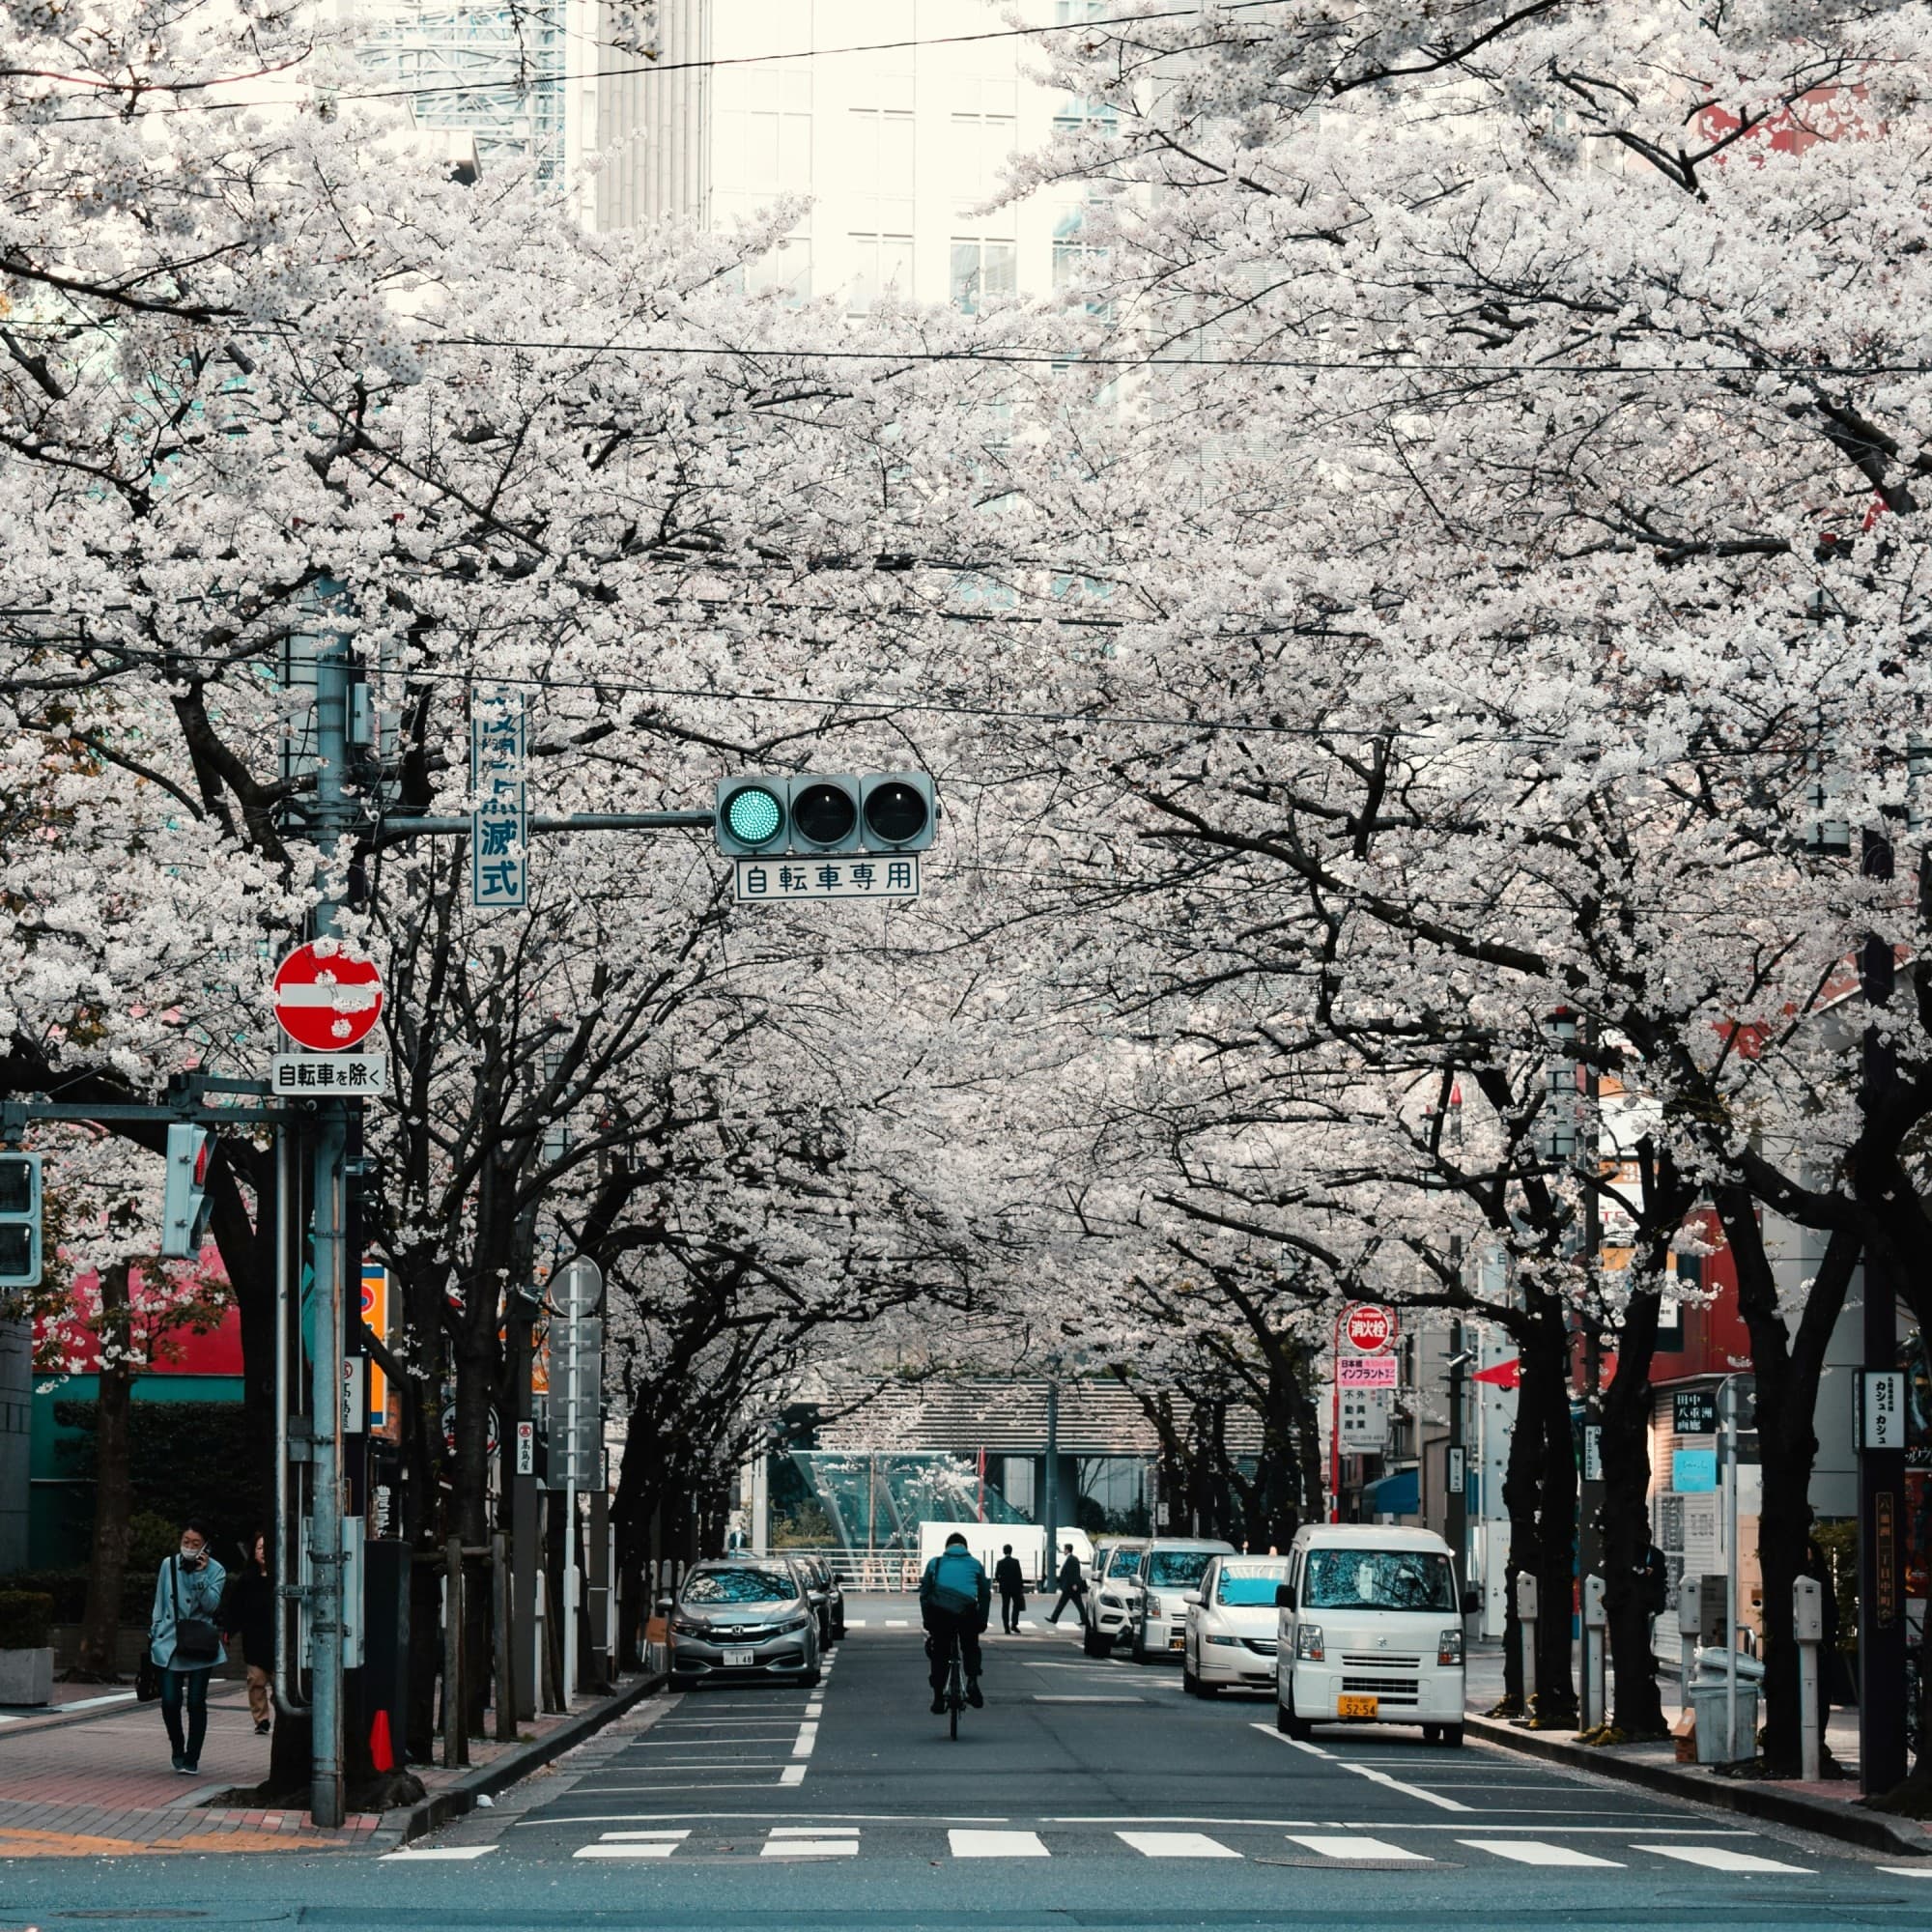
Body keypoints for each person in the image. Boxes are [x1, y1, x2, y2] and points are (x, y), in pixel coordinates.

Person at [150, 1519, 226, 1775]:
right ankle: (177, 1746)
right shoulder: (168, 1565)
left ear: (205, 1546)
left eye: (195, 1544)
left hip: (200, 1644)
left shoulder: (216, 1570)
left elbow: (212, 1606)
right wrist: (156, 1630)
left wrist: (200, 1576)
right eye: (186, 1542)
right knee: (170, 1701)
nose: (189, 1547)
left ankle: (192, 1757)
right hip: (170, 1640)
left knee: (195, 1702)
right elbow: (160, 1601)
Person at [920, 1531, 990, 1713]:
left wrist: (928, 1620)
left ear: (946, 1548)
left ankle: (937, 1697)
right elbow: (984, 1594)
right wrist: (982, 1620)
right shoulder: (975, 1564)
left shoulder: (935, 1563)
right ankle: (973, 1680)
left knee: (940, 1653)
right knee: (970, 1647)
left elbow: (925, 1594)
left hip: (940, 1614)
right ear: (965, 1548)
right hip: (967, 1614)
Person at [221, 1531, 275, 1737]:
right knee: (256, 1681)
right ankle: (261, 1720)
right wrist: (229, 1629)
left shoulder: (283, 1578)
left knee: (280, 1685)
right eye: (259, 1548)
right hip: (254, 1639)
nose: (263, 1553)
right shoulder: (247, 1580)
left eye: (266, 1548)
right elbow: (235, 1607)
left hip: (278, 1640)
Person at [1046, 1543, 1088, 1628]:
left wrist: (1074, 1584)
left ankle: (1054, 1618)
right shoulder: (1072, 1558)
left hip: (1070, 1587)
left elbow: (1074, 1573)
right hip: (1070, 1587)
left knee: (1063, 1604)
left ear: (1067, 1550)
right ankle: (1084, 1620)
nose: (1063, 1551)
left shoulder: (1072, 1559)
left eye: (1064, 1549)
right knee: (1077, 1604)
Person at [993, 1544, 1026, 1634]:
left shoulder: (1000, 1562)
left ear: (1004, 1551)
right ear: (1011, 1551)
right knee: (1016, 1606)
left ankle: (1006, 1628)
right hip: (1015, 1587)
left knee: (1005, 1607)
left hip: (1004, 1588)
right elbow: (1019, 1575)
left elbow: (996, 1575)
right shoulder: (1016, 1562)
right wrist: (1021, 1587)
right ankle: (1014, 1624)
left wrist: (1001, 1582)